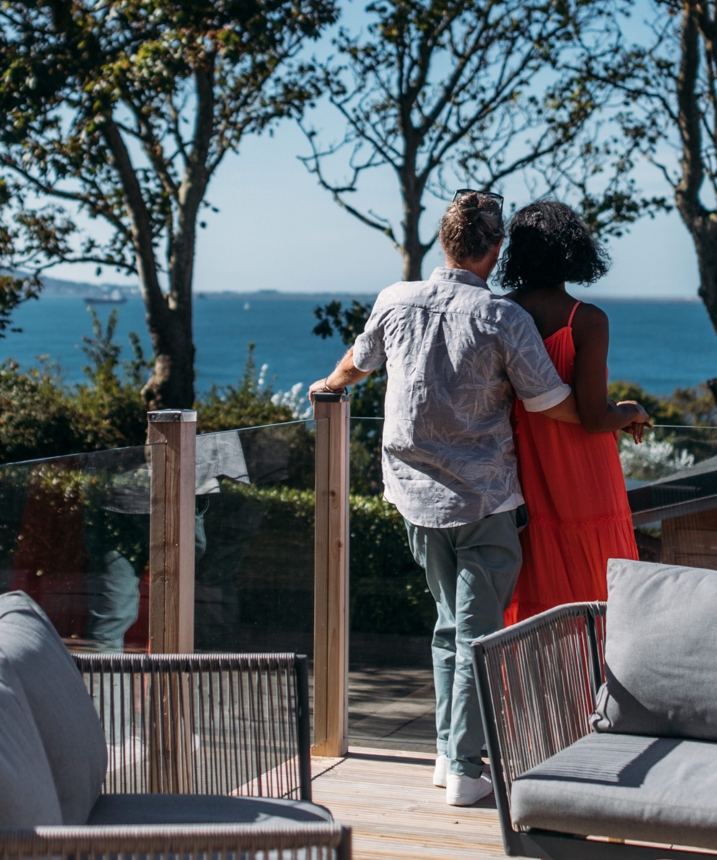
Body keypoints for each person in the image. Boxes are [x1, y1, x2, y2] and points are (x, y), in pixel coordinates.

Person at [310, 191, 648, 807]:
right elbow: (556, 404)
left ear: (447, 242)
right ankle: (465, 766)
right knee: (477, 634)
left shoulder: (395, 298)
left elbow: (356, 363)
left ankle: (447, 754)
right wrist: (619, 413)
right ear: (494, 250)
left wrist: (327, 387)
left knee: (448, 630)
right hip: (486, 502)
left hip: (415, 498)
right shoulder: (500, 319)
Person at [500, 201, 649, 625]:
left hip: (520, 471)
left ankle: (528, 690)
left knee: (530, 588)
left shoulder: (499, 313)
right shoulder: (587, 321)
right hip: (585, 475)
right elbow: (595, 418)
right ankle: (595, 690)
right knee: (598, 590)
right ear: (573, 250)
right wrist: (631, 410)